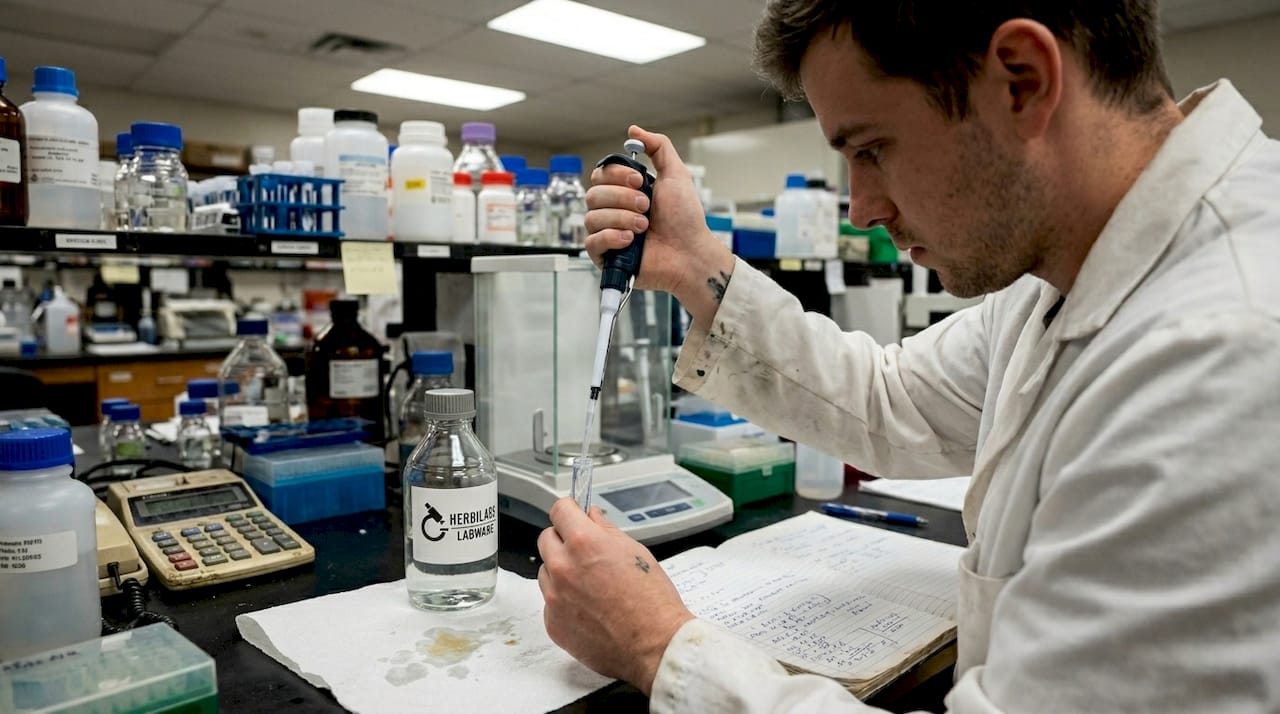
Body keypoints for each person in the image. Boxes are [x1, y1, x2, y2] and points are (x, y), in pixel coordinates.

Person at [536, 0, 1280, 711]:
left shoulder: (1221, 355)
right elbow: (893, 400)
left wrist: (659, 648)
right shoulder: (1067, 269)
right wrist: (697, 266)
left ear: (1022, 80)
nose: (862, 208)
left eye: (871, 149)